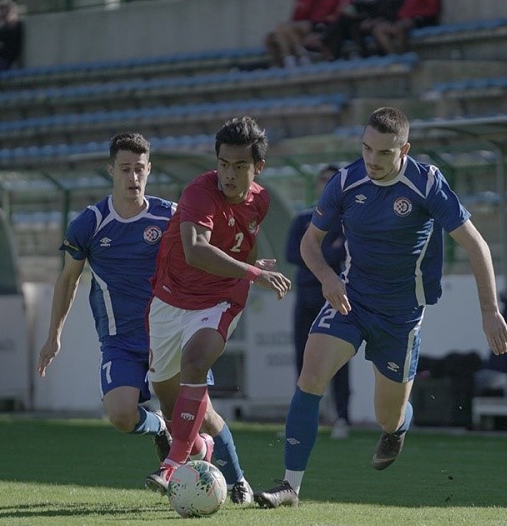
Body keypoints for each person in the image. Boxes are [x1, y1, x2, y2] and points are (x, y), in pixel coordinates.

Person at [254, 106, 507, 508]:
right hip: (351, 298)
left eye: (384, 153)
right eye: (367, 148)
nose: (372, 160)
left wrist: (490, 310)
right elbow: (308, 243)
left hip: (402, 315)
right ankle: (290, 486)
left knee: (386, 415)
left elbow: (475, 245)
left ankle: (398, 427)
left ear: (404, 149)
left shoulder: (427, 184)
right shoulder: (345, 181)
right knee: (311, 374)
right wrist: (328, 278)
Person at [144, 116, 291, 504]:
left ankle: (172, 464)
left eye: (240, 166)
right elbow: (196, 251)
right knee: (178, 407)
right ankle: (225, 467)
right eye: (224, 163)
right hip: (169, 299)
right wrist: (253, 271)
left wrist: (248, 274)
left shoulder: (260, 199)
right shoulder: (199, 191)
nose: (229, 173)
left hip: (221, 298)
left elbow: (245, 243)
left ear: (258, 167)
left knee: (195, 362)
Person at [36, 132, 175, 465]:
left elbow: (202, 253)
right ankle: (159, 428)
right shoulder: (90, 223)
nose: (134, 177)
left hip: (169, 336)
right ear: (110, 170)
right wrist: (54, 336)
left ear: (149, 169)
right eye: (125, 169)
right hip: (120, 340)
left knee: (200, 419)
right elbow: (68, 279)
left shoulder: (170, 216)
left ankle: (234, 478)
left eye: (140, 169)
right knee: (121, 415)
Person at [285, 164, 350, 438]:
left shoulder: (347, 220)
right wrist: (326, 251)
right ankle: (303, 419)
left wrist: (314, 251)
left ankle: (342, 418)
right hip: (306, 296)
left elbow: (340, 254)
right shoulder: (303, 219)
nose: (326, 184)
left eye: (331, 180)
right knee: (303, 359)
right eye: (323, 180)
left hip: (335, 298)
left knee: (340, 359)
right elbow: (292, 253)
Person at [372, 0, 441, 55]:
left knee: (399, 27)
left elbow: (433, 9)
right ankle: (394, 56)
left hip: (422, 19)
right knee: (378, 29)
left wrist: (413, 15)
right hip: (404, 19)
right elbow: (405, 8)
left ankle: (404, 56)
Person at [264, 0, 322, 68]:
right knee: (270, 39)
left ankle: (296, 59)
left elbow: (317, 17)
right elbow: (294, 18)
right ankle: (279, 65)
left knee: (283, 27)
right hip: (296, 28)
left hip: (310, 27)